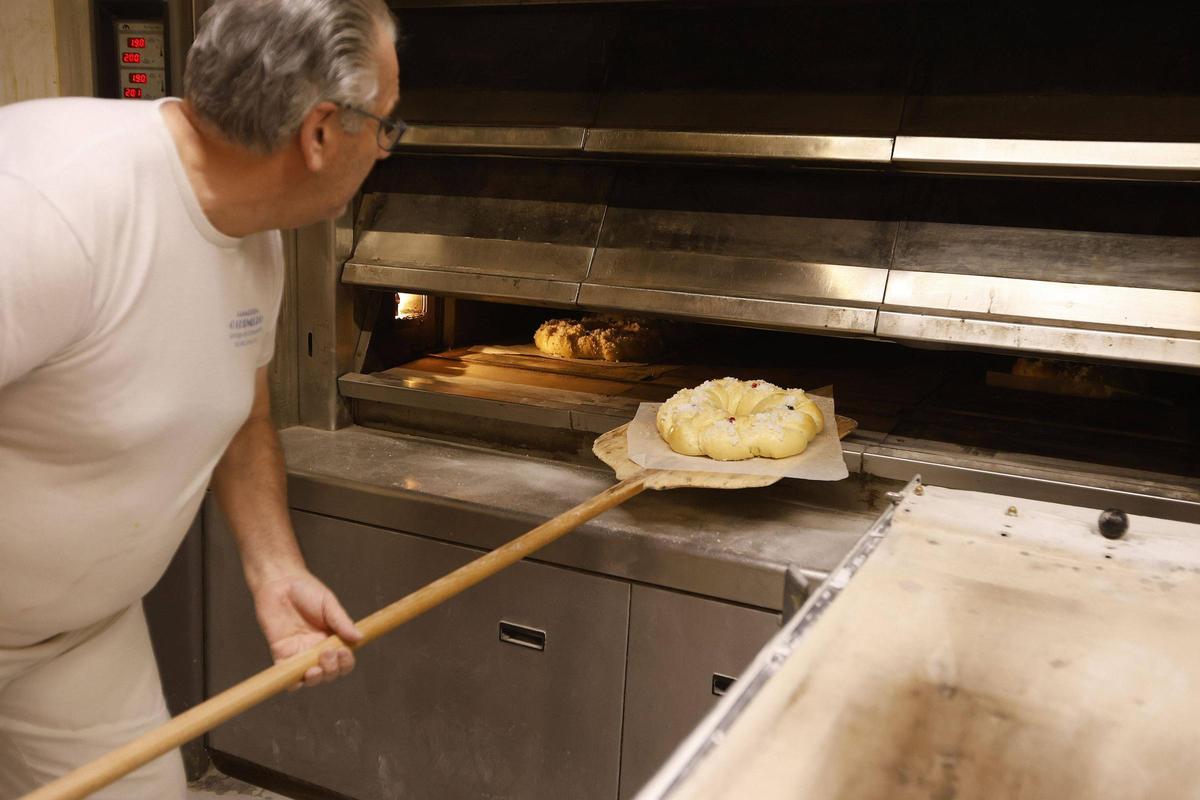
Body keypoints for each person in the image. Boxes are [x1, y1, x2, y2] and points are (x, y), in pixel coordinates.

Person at [0, 0, 402, 795]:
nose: (387, 149)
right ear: (322, 132)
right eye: (386, 125)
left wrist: (274, 568)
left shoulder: (255, 231)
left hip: (79, 637)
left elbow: (243, 415)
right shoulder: (48, 210)